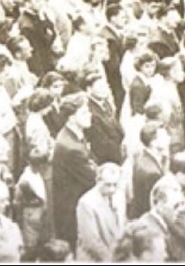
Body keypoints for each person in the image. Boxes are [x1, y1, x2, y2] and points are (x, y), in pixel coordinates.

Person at [51, 93, 97, 248]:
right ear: (71, 117)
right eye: (84, 112)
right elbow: (93, 177)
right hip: (71, 210)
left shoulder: (74, 135)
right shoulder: (71, 147)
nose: (90, 115)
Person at [76, 162, 125, 262]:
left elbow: (122, 224)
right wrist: (111, 260)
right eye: (108, 185)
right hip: (94, 259)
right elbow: (91, 241)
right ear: (98, 181)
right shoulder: (86, 203)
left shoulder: (119, 195)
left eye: (115, 185)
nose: (112, 189)